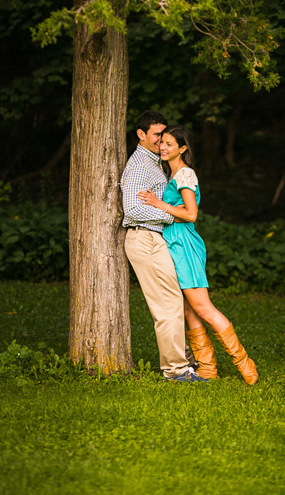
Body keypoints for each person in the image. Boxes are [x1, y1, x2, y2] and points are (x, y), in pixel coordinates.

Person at [137, 125, 259, 385]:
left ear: (183, 148)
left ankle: (246, 366)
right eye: (162, 143)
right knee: (188, 310)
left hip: (184, 245)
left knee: (203, 307)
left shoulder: (185, 174)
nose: (163, 147)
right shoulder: (172, 174)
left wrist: (160, 204)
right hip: (173, 244)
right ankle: (207, 369)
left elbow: (191, 214)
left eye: (170, 144)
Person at [121, 111, 204, 382]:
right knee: (167, 305)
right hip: (144, 238)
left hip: (156, 239)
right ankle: (176, 370)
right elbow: (132, 209)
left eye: (164, 135)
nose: (161, 141)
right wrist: (169, 213)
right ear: (141, 135)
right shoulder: (139, 166)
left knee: (175, 301)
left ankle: (186, 360)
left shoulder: (158, 162)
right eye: (156, 135)